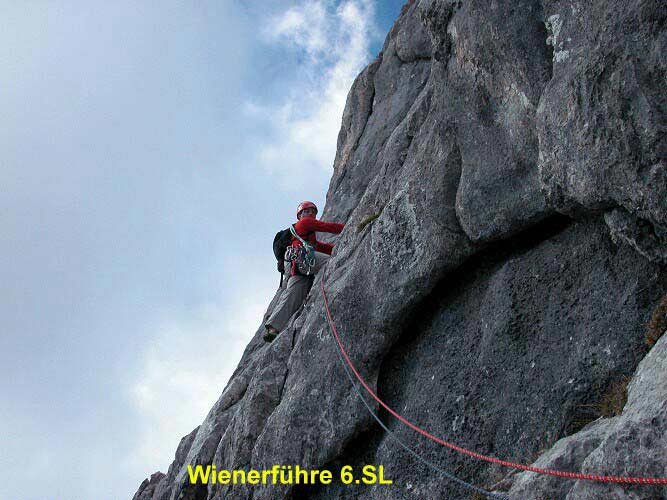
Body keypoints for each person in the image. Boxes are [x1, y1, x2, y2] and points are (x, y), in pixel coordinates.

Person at [264, 201, 344, 342]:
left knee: (293, 295)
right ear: (300, 215)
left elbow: (322, 247)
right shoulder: (304, 223)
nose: (311, 214)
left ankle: (273, 328)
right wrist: (349, 227)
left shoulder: (304, 237)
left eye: (313, 211)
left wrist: (340, 245)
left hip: (295, 266)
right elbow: (328, 227)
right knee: (332, 262)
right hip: (302, 258)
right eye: (307, 211)